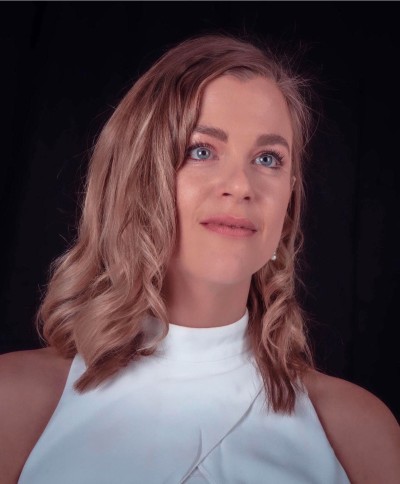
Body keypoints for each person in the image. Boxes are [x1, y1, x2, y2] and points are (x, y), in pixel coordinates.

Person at [0, 34, 399, 484]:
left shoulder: (358, 432)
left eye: (268, 158)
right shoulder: (15, 405)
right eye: (201, 151)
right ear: (137, 175)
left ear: (289, 199)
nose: (242, 185)